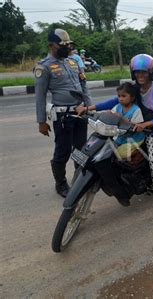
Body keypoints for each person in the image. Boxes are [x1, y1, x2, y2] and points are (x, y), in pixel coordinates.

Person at [76, 54, 153, 224]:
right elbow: (116, 100)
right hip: (131, 129)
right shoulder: (134, 88)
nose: (140, 75)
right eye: (137, 72)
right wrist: (89, 107)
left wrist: (147, 124)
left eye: (144, 72)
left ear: (151, 72)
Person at [34, 28, 91, 198]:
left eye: (68, 45)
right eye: (62, 45)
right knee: (63, 150)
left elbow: (84, 87)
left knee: (80, 149)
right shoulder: (43, 67)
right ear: (51, 45)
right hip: (63, 116)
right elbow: (40, 96)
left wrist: (90, 108)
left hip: (80, 113)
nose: (67, 49)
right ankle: (60, 183)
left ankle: (79, 178)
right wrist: (41, 122)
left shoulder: (73, 62)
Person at [80, 82, 145, 160]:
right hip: (120, 137)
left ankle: (138, 154)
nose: (120, 98)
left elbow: (137, 126)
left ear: (132, 97)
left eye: (124, 96)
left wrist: (122, 118)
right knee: (106, 151)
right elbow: (112, 114)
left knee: (121, 154)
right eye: (119, 96)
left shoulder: (136, 110)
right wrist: (108, 114)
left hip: (134, 138)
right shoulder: (117, 107)